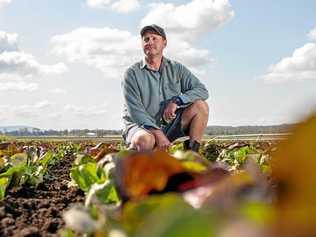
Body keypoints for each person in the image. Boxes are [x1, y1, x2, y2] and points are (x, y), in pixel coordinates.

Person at [121, 24, 209, 152]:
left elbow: (202, 90)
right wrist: (157, 133)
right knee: (145, 141)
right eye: (146, 39)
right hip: (141, 127)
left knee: (201, 106)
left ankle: (191, 156)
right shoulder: (131, 74)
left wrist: (177, 101)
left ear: (164, 43)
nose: (149, 42)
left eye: (154, 38)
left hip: (168, 124)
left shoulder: (177, 68)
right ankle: (137, 162)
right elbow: (136, 112)